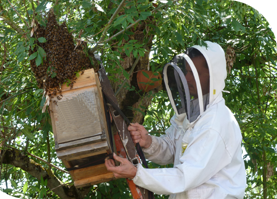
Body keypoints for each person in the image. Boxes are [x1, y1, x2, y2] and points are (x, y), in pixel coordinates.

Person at [105, 41, 246, 199]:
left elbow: (185, 176)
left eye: (195, 73)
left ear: (214, 77)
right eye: (186, 71)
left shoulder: (216, 124)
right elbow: (173, 150)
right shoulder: (191, 113)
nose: (187, 78)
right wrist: (149, 142)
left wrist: (137, 173)